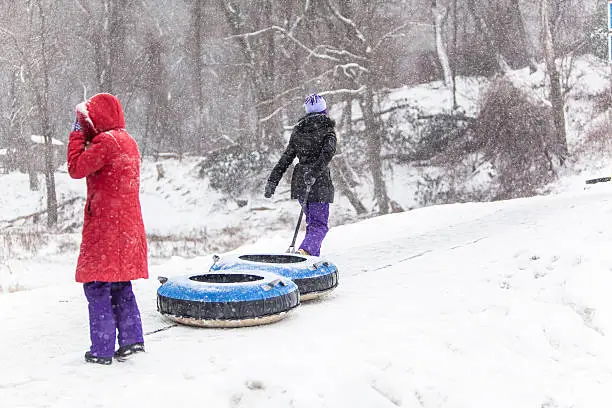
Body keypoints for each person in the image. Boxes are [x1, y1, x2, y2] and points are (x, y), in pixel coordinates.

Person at [67, 93, 148, 365]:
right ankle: (132, 341)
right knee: (120, 283)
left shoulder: (106, 143)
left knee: (97, 284)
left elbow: (76, 167)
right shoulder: (128, 141)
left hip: (105, 227)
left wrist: (77, 133)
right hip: (127, 227)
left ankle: (102, 350)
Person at [264, 93, 337, 256]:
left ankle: (310, 260)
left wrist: (272, 181)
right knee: (319, 225)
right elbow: (328, 153)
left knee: (312, 223)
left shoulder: (298, 131)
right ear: (324, 109)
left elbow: (286, 158)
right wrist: (314, 172)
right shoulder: (327, 129)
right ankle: (305, 252)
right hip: (318, 182)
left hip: (300, 182)